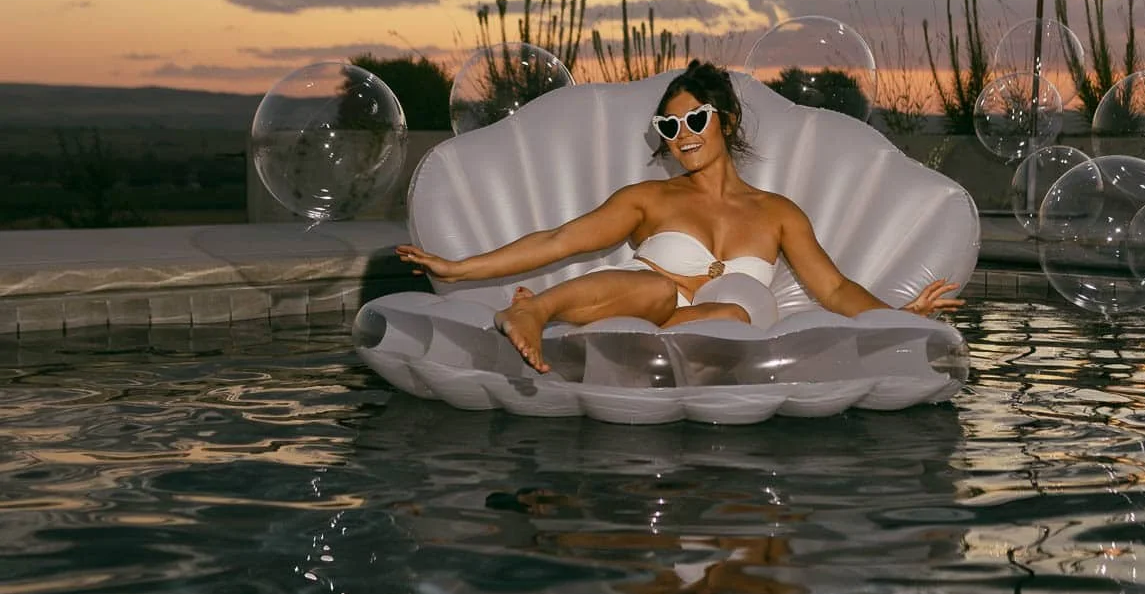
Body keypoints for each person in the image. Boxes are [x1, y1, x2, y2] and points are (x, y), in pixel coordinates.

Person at [396, 60, 963, 372]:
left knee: (735, 316)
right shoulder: (650, 199)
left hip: (711, 338)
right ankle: (535, 313)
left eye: (695, 120)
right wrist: (459, 270)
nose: (682, 136)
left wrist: (899, 315)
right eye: (669, 127)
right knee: (658, 292)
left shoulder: (777, 214)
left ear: (729, 121)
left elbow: (835, 289)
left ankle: (566, 318)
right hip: (643, 304)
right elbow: (562, 239)